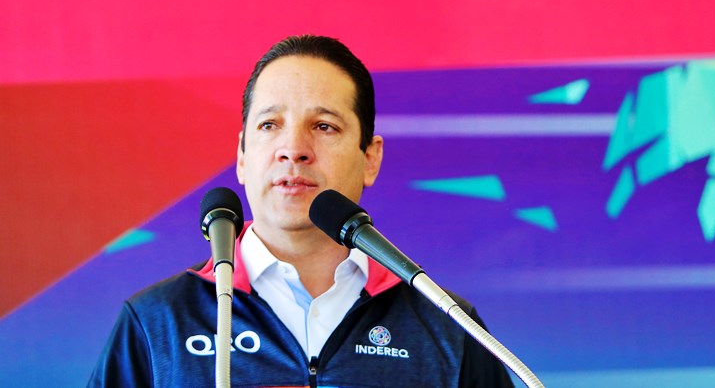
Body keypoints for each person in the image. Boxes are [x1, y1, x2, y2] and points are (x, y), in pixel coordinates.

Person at [89, 35, 515, 387]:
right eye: (269, 125)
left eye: (324, 126)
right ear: (242, 156)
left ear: (370, 158)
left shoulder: (447, 327)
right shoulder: (158, 324)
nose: (293, 149)